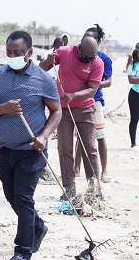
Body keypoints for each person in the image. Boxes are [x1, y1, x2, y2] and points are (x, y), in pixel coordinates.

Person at [0, 31, 61, 260]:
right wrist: (4, 108)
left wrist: (44, 137)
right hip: (6, 148)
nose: (12, 56)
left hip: (32, 149)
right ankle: (38, 226)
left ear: (29, 53)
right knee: (11, 197)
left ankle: (23, 251)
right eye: (9, 53)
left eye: (17, 53)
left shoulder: (43, 79)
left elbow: (57, 112)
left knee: (23, 198)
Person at [40, 36, 104, 200]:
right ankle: (69, 188)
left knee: (89, 148)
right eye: (86, 56)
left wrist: (73, 95)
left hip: (85, 109)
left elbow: (92, 90)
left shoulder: (97, 63)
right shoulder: (65, 52)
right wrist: (48, 60)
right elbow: (41, 69)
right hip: (63, 109)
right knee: (65, 148)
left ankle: (93, 187)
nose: (88, 60)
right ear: (79, 48)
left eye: (92, 57)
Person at [74, 24, 112, 182]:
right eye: (83, 37)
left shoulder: (103, 59)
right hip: (79, 100)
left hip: (95, 100)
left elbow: (108, 81)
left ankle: (104, 171)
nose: (84, 40)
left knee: (99, 135)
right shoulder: (76, 55)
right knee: (80, 137)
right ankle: (76, 168)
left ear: (97, 41)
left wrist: (93, 84)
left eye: (88, 37)